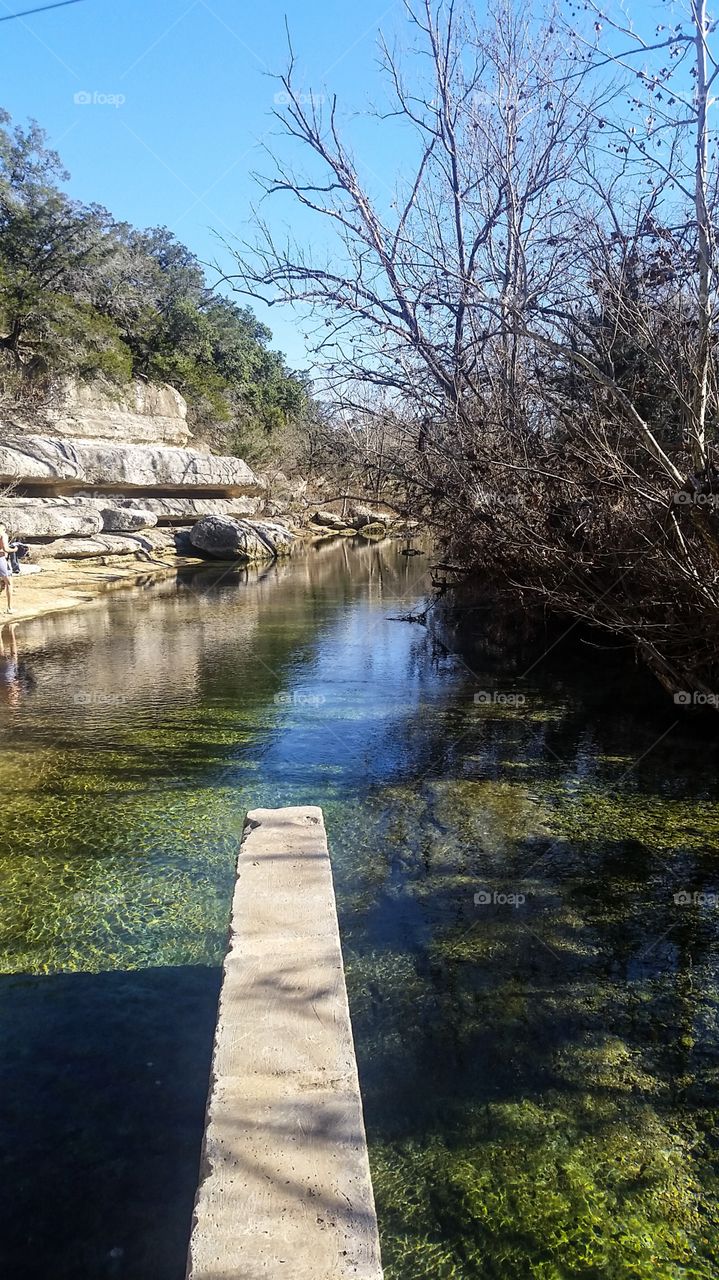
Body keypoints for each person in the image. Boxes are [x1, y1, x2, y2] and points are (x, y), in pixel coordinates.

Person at [0, 525, 13, 614]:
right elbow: (6, 549)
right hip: (1, 559)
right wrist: (15, 549)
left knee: (2, 583)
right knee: (9, 583)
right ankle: (9, 608)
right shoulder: (3, 535)